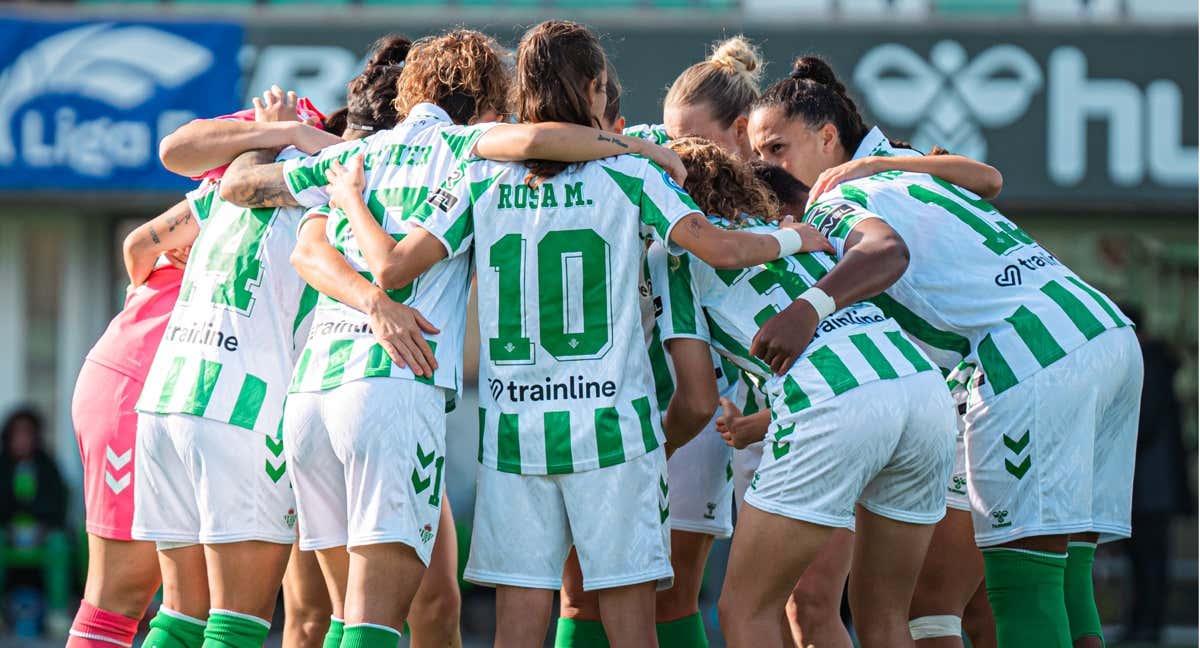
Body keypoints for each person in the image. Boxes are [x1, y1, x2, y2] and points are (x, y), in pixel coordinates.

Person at [315, 20, 825, 646]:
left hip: (514, 433)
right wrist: (796, 235)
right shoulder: (635, 175)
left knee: (523, 622)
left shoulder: (477, 176)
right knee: (632, 621)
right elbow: (718, 248)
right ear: (592, 88)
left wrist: (349, 204)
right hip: (614, 428)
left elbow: (393, 268)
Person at [219, 26, 705, 648]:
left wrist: (288, 141)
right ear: (483, 101)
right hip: (391, 390)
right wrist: (630, 146)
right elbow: (534, 140)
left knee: (337, 617)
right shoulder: (468, 147)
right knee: (373, 621)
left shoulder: (355, 156)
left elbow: (253, 201)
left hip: (312, 394)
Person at [749, 55, 1143, 648]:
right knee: (1065, 579)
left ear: (828, 138)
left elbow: (886, 254)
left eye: (776, 148)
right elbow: (988, 181)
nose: (765, 166)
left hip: (1033, 356)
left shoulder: (830, 201)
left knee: (1018, 587)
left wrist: (807, 309)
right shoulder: (904, 174)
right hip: (1101, 328)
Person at [654, 137, 955, 648]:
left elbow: (698, 401)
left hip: (833, 407)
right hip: (923, 393)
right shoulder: (793, 232)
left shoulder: (676, 254)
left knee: (745, 609)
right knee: (884, 617)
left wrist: (652, 451)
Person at [131, 89, 339, 648]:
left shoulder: (229, 182)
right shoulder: (340, 177)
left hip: (167, 395)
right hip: (243, 410)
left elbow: (137, 243)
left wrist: (278, 133)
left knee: (178, 617)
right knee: (237, 625)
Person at [66, 200, 193, 647]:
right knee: (117, 602)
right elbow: (138, 245)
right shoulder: (250, 177)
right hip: (135, 389)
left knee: (201, 603)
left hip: (201, 401)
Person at [1120, 303, 1189, 644]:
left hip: (1149, 484)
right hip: (1153, 484)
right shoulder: (1157, 362)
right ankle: (1142, 623)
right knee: (1145, 560)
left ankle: (1147, 625)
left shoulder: (1149, 364)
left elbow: (1141, 424)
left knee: (1149, 561)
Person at [0, 408, 71, 636]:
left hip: (43, 535)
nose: (22, 440)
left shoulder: (48, 466)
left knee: (59, 543)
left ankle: (56, 612)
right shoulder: (3, 466)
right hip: (7, 534)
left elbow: (59, 505)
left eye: (27, 434)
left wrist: (44, 526)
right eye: (17, 434)